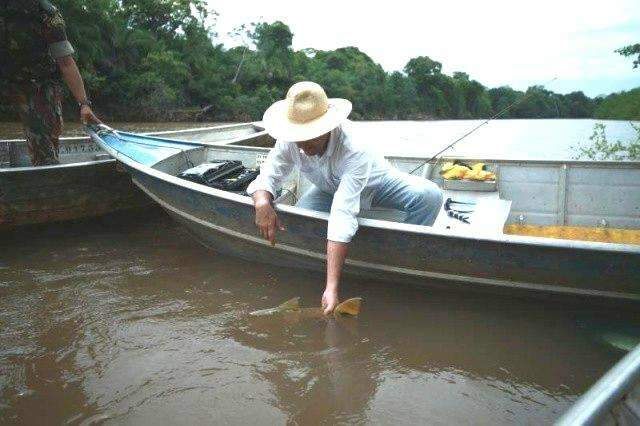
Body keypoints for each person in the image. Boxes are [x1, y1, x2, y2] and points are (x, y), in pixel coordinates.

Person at [247, 82, 443, 314]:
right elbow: (270, 172)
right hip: (327, 190)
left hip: (376, 185)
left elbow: (342, 213)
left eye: (309, 137)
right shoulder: (291, 139)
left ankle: (403, 262)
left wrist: (332, 287)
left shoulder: (354, 147)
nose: (302, 144)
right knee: (299, 219)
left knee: (429, 196)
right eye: (299, 137)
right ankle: (319, 265)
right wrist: (261, 202)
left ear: (327, 127)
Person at [0, 0, 101, 166]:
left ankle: (47, 179)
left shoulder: (46, 14)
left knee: (44, 149)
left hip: (38, 83)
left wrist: (84, 104)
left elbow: (66, 63)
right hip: (6, 77)